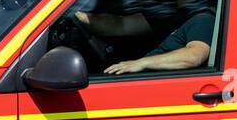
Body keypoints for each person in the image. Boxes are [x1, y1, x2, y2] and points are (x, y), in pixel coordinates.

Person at [73, 7, 214, 74]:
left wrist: (140, 63)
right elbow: (119, 25)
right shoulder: (172, 15)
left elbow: (194, 56)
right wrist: (75, 10)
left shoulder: (203, 20)